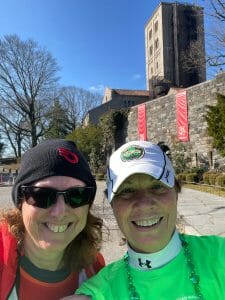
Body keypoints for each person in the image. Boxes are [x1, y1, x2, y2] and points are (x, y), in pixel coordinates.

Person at [65, 140, 225, 299]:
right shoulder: (101, 292)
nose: (143, 204)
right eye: (127, 190)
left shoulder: (219, 255)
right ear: (112, 204)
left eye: (157, 187)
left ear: (176, 193)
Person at [0, 139, 105, 300]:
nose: (59, 212)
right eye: (41, 195)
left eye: (77, 195)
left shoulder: (94, 267)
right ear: (20, 202)